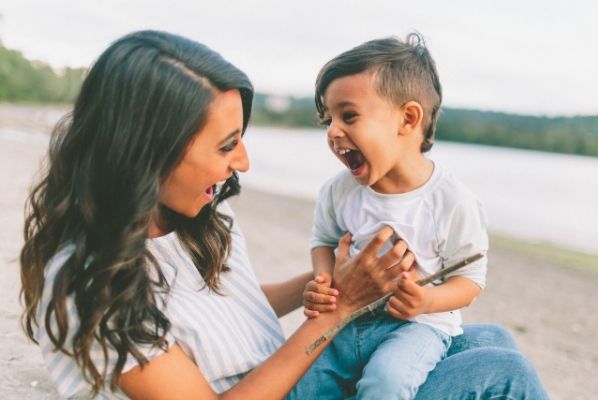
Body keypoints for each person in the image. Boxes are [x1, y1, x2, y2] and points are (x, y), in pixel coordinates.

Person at [19, 30, 548, 399]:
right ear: (144, 152)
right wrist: (342, 309)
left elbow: (235, 314)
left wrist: (331, 283)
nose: (242, 163)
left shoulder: (196, 224)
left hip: (292, 378)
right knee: (502, 372)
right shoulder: (89, 283)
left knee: (488, 339)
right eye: (227, 145)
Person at [293, 34, 546, 399]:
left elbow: (470, 280)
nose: (333, 131)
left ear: (408, 118)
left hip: (416, 325)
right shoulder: (339, 191)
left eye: (348, 115)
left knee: (387, 382)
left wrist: (425, 301)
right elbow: (324, 240)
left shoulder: (451, 200)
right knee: (304, 384)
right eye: (328, 119)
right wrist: (324, 279)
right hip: (347, 323)